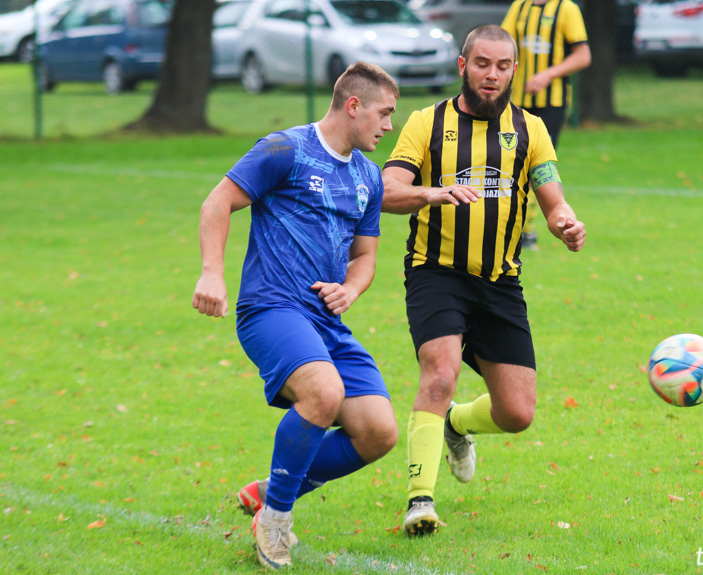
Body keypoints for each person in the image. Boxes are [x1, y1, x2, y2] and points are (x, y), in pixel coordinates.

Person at [381, 25, 587, 537]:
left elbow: (552, 195)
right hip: (436, 271)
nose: (492, 75)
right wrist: (436, 194)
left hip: (500, 283)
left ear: (515, 69)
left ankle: (456, 424)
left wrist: (564, 222)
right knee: (440, 373)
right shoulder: (425, 123)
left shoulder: (531, 128)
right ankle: (419, 500)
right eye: (482, 64)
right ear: (462, 66)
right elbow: (386, 191)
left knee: (517, 413)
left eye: (502, 66)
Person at [192, 62, 400, 569]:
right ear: (353, 106)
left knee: (378, 432)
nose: (388, 126)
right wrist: (211, 273)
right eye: (384, 113)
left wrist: (350, 288)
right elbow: (219, 202)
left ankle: (271, 488)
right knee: (323, 393)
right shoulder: (285, 149)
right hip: (271, 307)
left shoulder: (368, 177)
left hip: (325, 321)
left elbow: (366, 257)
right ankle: (276, 519)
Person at [502, 0, 591, 250]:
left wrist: (548, 74)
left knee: (537, 166)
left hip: (551, 104)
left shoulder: (566, 9)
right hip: (516, 101)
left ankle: (525, 231)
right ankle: (515, 227)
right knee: (510, 163)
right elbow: (501, 41)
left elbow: (583, 56)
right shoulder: (520, 6)